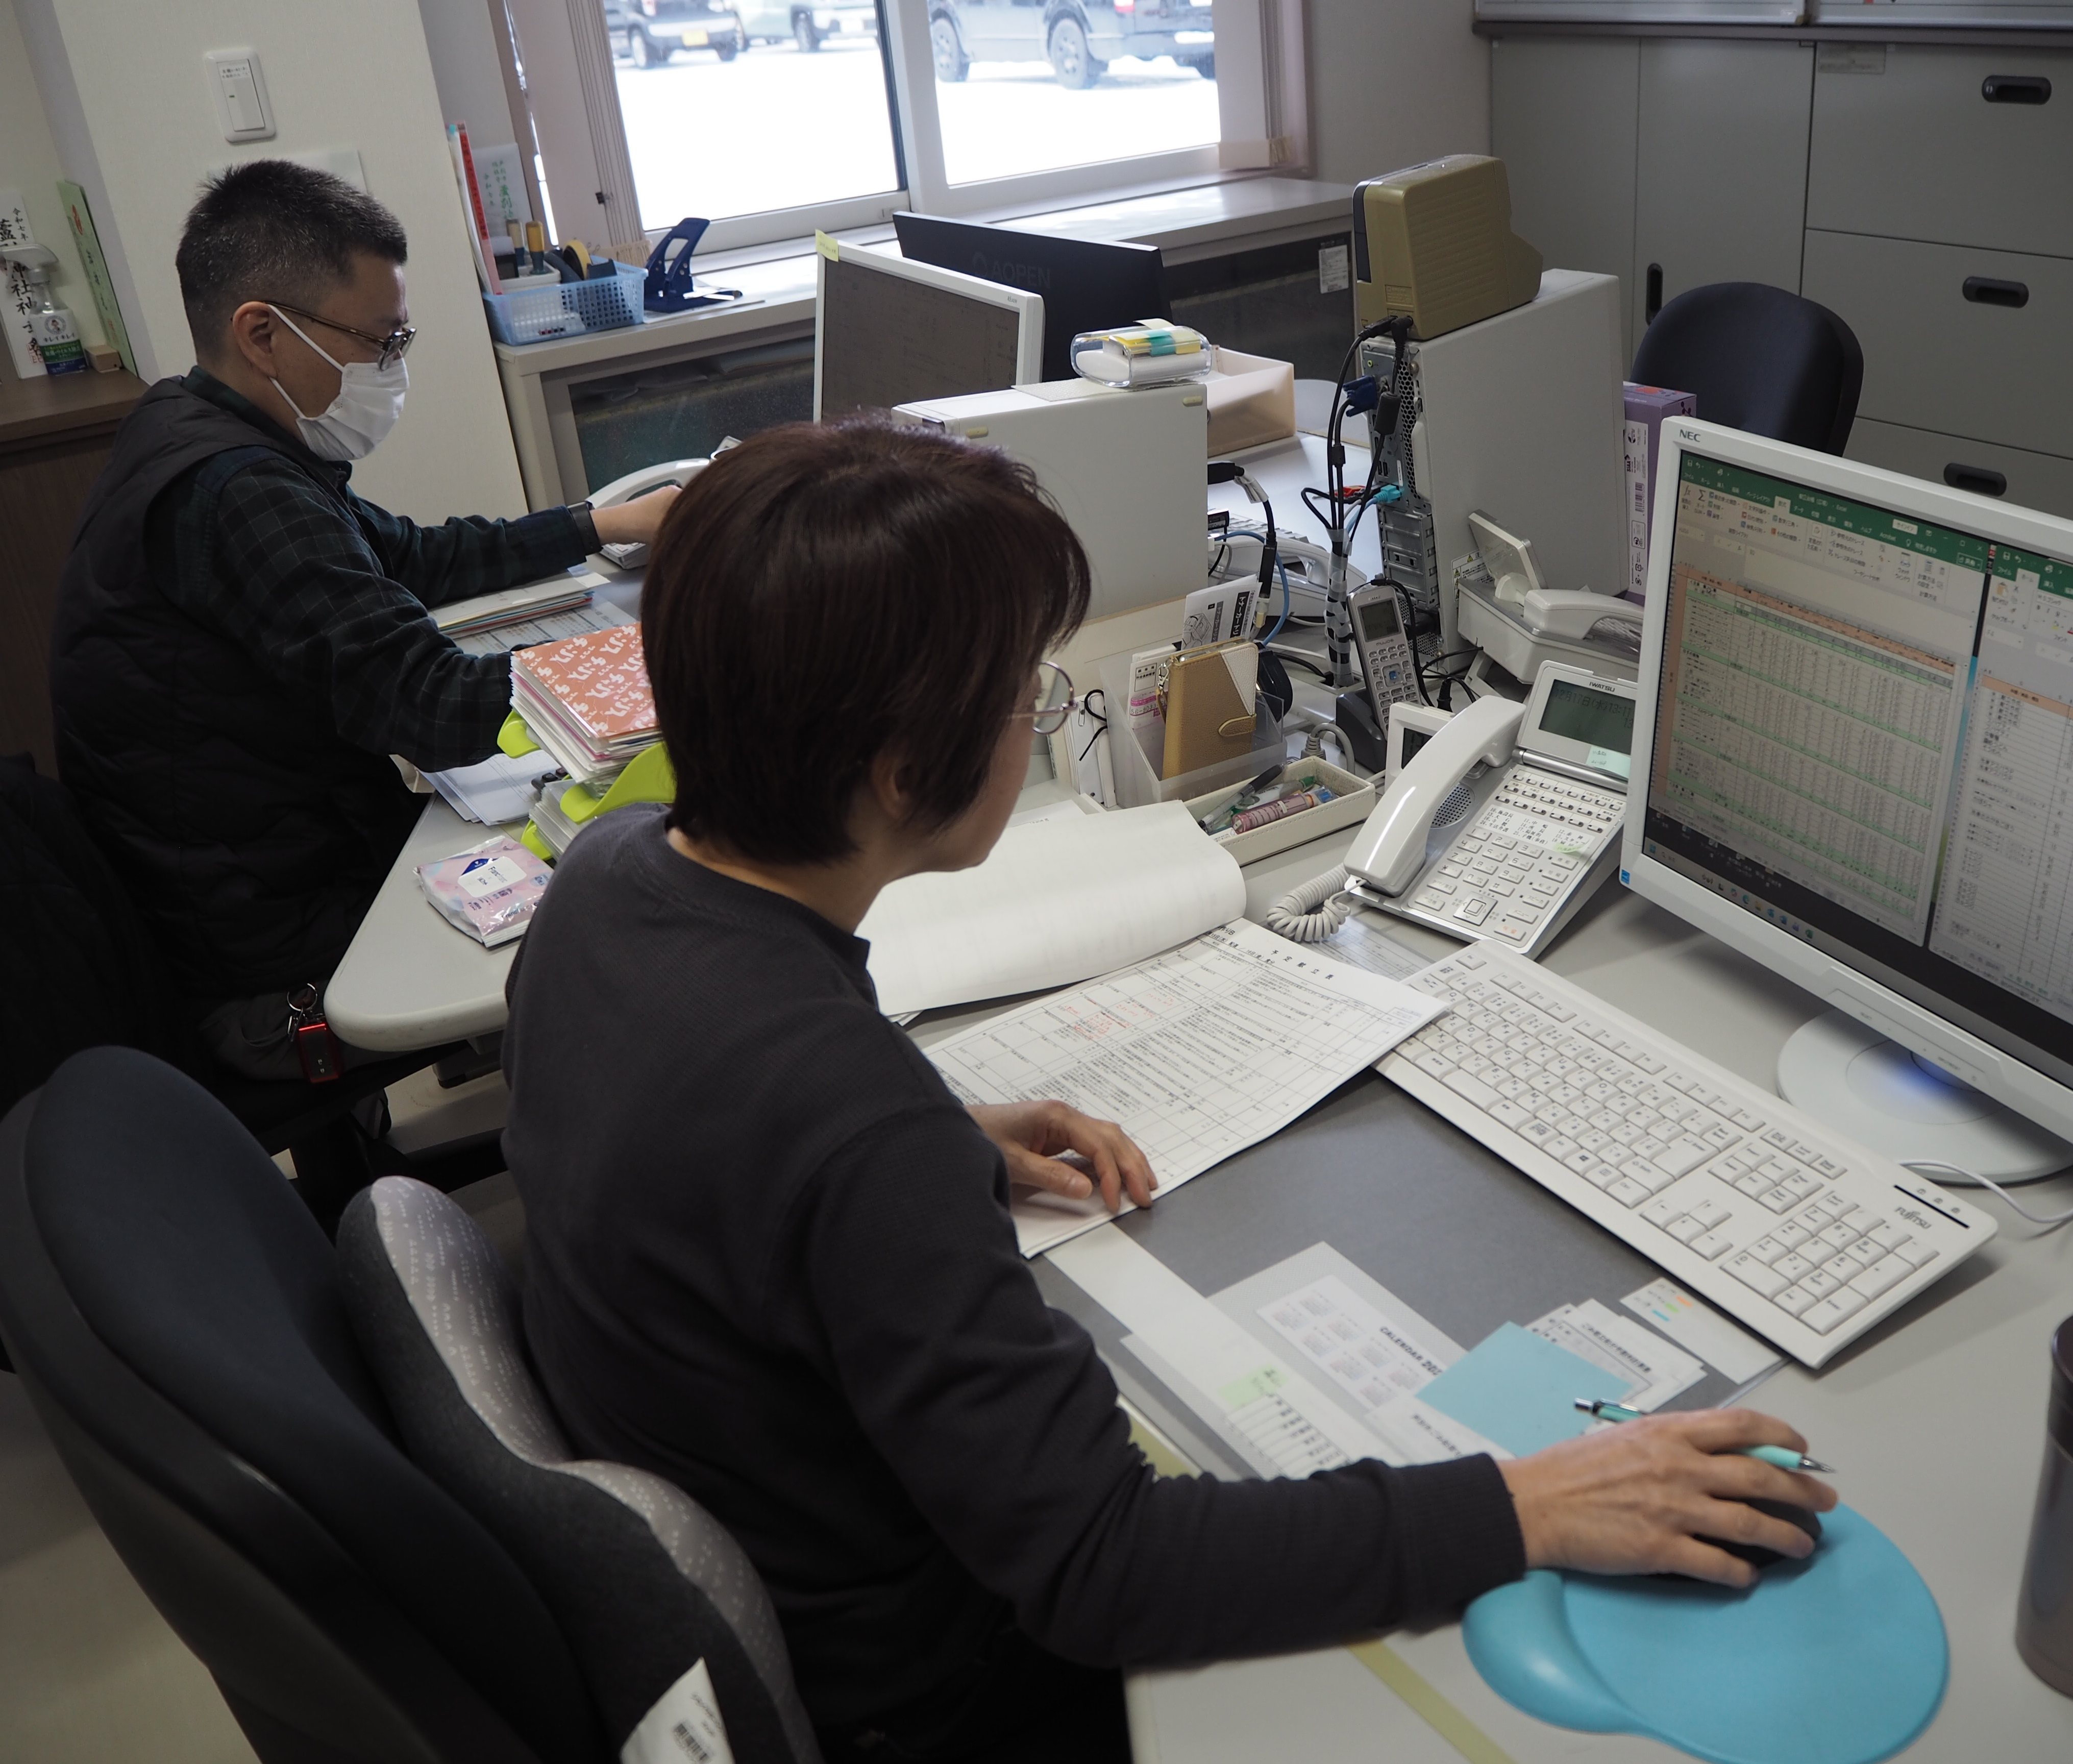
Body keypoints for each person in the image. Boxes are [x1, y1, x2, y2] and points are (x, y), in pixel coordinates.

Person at [501, 421, 1835, 1763]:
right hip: (930, 1694)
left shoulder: (609, 877)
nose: (1034, 715)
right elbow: (1106, 1565)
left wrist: (940, 1139)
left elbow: (707, 1126)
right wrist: (1528, 1507)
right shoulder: (853, 1134)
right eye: (1024, 695)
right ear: (904, 775)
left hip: (773, 1527)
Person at [48, 159, 674, 1082]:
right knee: (657, 896)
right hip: (280, 965)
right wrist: (675, 651)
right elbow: (430, 705)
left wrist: (603, 524)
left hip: (246, 889)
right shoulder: (238, 491)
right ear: (263, 333)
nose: (393, 366)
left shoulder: (197, 424)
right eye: (380, 340)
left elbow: (410, 557)